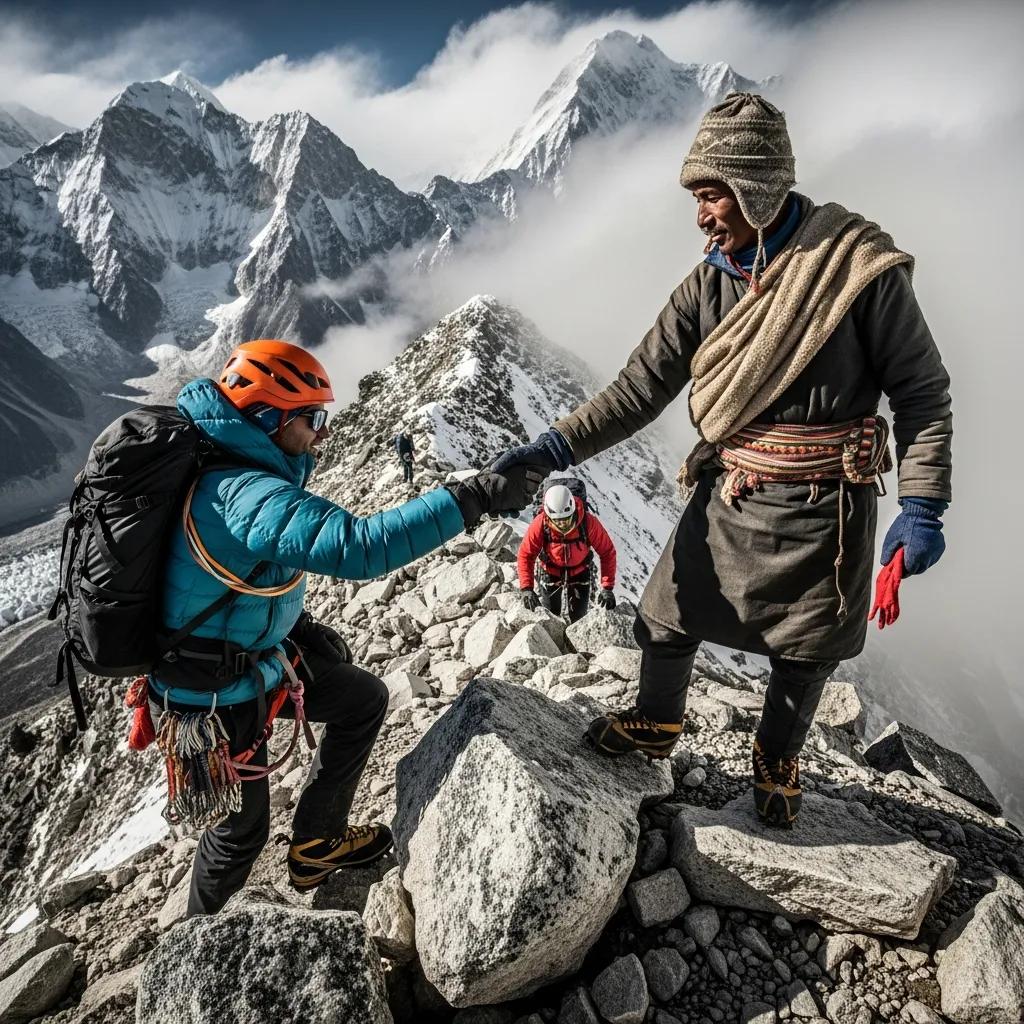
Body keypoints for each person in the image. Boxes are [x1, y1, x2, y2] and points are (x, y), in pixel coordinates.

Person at [492, 93, 952, 827]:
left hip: (826, 506)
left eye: (713, 196)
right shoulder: (707, 285)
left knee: (806, 651)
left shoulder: (858, 273)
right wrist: (553, 448)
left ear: (757, 188)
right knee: (666, 616)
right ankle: (657, 720)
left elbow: (922, 394)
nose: (702, 216)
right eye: (697, 198)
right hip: (731, 492)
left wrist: (922, 505)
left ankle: (776, 757)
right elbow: (638, 389)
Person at [151, 339, 540, 914]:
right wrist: (474, 497)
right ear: (269, 417)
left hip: (246, 663)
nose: (323, 432)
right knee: (238, 834)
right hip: (211, 697)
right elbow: (359, 547)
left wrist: (294, 627)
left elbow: (232, 579)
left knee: (362, 699)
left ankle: (317, 843)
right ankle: (192, 952)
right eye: (312, 418)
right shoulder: (244, 491)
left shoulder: (236, 470)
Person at [518, 483, 617, 623]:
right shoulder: (540, 523)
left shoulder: (588, 522)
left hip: (580, 572)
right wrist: (527, 588)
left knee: (579, 618)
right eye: (558, 521)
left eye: (566, 519)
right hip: (550, 571)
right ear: (548, 516)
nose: (563, 524)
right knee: (550, 616)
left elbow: (607, 552)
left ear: (573, 511)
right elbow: (526, 554)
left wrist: (607, 587)